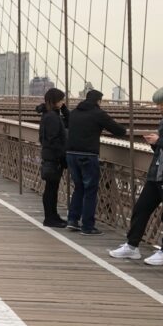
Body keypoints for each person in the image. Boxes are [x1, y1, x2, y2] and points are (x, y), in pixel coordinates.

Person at [109, 86, 163, 266]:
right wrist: (154, 144)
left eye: (162, 104)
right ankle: (132, 246)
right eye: (157, 105)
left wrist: (161, 142)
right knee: (141, 208)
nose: (159, 108)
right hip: (156, 172)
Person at [65, 88, 126, 235]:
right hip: (88, 155)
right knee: (90, 191)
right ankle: (87, 226)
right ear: (98, 101)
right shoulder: (98, 114)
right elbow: (118, 130)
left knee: (78, 187)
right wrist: (125, 129)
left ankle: (72, 220)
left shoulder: (74, 113)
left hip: (71, 154)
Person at [37, 88, 69, 228]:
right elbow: (53, 138)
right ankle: (49, 218)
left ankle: (53, 216)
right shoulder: (52, 117)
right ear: (56, 101)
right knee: (51, 189)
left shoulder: (49, 115)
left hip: (50, 155)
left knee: (52, 188)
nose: (63, 102)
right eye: (62, 99)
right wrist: (61, 155)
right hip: (53, 157)